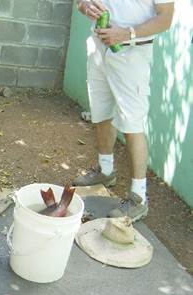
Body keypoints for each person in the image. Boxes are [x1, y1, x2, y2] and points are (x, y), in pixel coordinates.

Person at [73, 0, 174, 221]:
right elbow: (81, 1)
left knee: (132, 124)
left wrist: (127, 33)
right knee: (101, 113)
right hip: (99, 47)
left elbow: (166, 17)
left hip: (132, 51)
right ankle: (105, 170)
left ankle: (139, 198)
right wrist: (85, 7)